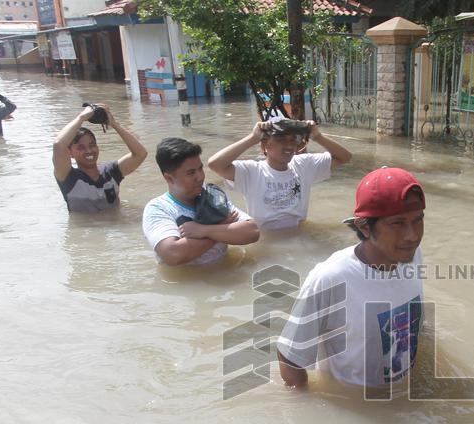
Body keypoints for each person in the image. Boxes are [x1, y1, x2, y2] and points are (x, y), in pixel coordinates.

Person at [277, 167, 426, 389]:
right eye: (398, 223)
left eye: (418, 220)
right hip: (359, 406)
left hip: (403, 399)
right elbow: (290, 357)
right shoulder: (331, 278)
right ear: (365, 227)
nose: (412, 236)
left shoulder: (410, 256)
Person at [207, 118, 352, 230]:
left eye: (292, 140)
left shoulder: (303, 165)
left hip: (299, 234)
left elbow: (345, 157)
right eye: (281, 140)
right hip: (267, 240)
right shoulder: (251, 171)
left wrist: (318, 136)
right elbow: (215, 164)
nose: (289, 146)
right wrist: (252, 138)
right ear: (266, 145)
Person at [142, 137, 260, 267]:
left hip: (223, 276)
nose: (200, 177)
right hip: (187, 283)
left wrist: (204, 230)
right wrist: (222, 226)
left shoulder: (212, 195)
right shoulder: (158, 208)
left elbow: (252, 232)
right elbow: (173, 254)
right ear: (169, 178)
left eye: (200, 169)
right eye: (191, 173)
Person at [52, 104, 148, 214]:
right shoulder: (68, 178)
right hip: (85, 230)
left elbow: (140, 154)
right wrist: (81, 117)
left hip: (115, 228)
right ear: (70, 153)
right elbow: (58, 146)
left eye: (92, 145)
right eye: (81, 147)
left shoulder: (110, 172)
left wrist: (114, 124)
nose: (89, 151)